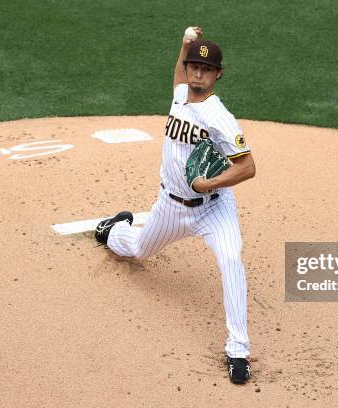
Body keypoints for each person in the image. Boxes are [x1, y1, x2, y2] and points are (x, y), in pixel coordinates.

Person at [94, 27, 256, 385]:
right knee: (137, 249)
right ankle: (114, 229)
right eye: (193, 66)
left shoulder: (221, 119)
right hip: (170, 206)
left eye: (206, 68)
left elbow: (247, 167)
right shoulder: (181, 94)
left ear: (217, 75)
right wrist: (184, 45)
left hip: (213, 208)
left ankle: (238, 350)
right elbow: (177, 75)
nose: (197, 73)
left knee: (231, 259)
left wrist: (209, 183)